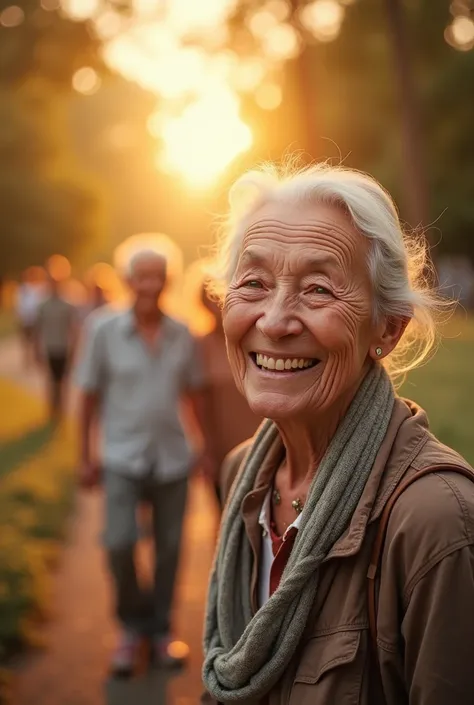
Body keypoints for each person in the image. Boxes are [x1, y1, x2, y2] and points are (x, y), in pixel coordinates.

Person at [201, 163, 474, 705]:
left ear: (388, 329)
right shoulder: (242, 473)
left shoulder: (434, 522)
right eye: (253, 282)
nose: (276, 321)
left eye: (318, 289)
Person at [75, 249, 210, 678]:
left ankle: (160, 630)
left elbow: (193, 394)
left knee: (171, 549)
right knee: (118, 542)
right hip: (120, 456)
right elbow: (87, 397)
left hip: (172, 457)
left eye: (159, 276)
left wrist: (203, 446)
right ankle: (132, 628)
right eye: (142, 276)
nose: (151, 285)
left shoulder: (181, 332)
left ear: (168, 281)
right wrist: (85, 455)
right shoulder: (103, 330)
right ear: (126, 280)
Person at [198, 283, 261, 508]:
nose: (216, 304)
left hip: (261, 442)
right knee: (227, 513)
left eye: (220, 297)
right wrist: (207, 449)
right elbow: (199, 403)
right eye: (210, 298)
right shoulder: (201, 344)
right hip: (222, 448)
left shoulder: (258, 338)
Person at [34, 274, 77, 419]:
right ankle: (52, 408)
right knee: (51, 380)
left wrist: (74, 349)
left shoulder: (67, 306)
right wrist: (36, 349)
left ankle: (61, 408)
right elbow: (37, 329)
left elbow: (73, 329)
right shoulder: (43, 306)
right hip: (49, 347)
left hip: (63, 347)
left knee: (62, 380)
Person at [15, 267, 45, 367]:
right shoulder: (23, 289)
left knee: (36, 341)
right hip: (26, 319)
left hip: (36, 319)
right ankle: (27, 361)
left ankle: (36, 360)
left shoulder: (40, 288)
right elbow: (19, 304)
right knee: (26, 342)